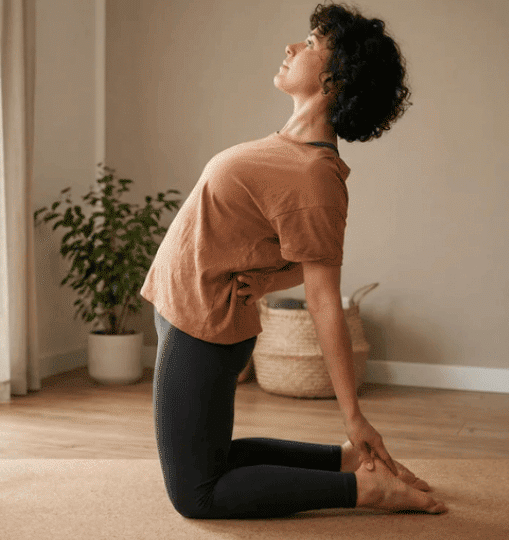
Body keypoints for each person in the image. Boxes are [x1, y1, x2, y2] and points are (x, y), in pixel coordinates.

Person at [139, 2, 447, 519]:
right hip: (185, 310)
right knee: (211, 459)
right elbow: (291, 254)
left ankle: (364, 491)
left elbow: (324, 298)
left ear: (334, 77)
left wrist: (353, 414)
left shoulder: (314, 176)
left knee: (196, 494)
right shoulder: (289, 147)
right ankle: (350, 465)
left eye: (310, 43)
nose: (292, 47)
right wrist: (264, 282)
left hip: (204, 327)